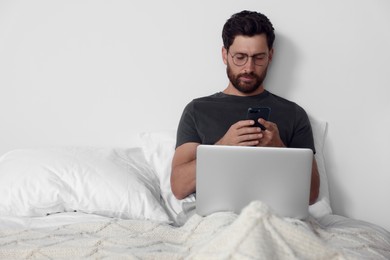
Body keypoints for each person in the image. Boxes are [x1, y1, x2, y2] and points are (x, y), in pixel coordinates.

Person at [171, 10, 320, 205]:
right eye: (240, 57)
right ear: (225, 55)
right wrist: (224, 146)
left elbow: (311, 194)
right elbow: (179, 187)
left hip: (274, 214)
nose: (248, 68)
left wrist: (279, 149)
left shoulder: (293, 113)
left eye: (258, 57)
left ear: (270, 56)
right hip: (217, 217)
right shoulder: (197, 110)